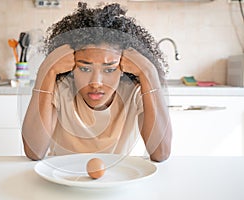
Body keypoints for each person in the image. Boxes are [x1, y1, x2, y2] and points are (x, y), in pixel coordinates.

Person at [22, 2, 172, 162]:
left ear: (124, 67)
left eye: (109, 69)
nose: (96, 83)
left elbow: (160, 153)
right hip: (61, 179)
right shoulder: (60, 89)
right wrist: (47, 70)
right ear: (71, 65)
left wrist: (149, 72)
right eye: (85, 69)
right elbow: (34, 152)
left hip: (116, 179)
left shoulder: (134, 92)